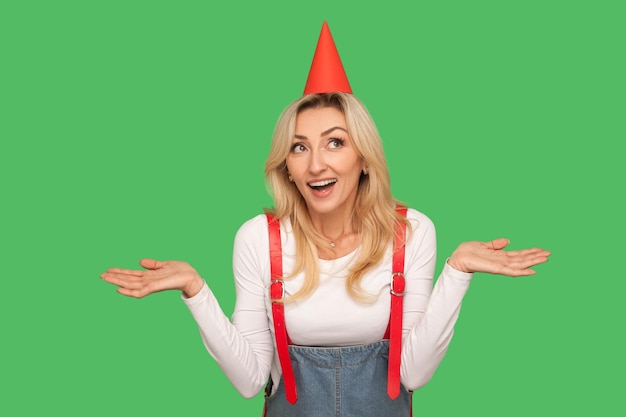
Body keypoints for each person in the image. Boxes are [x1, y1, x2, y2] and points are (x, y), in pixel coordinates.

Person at [101, 22, 550, 417]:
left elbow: (414, 374)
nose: (316, 164)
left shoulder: (411, 232)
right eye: (299, 147)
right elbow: (249, 380)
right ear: (287, 168)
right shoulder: (259, 239)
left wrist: (457, 273)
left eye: (335, 143)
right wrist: (196, 291)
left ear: (364, 158)